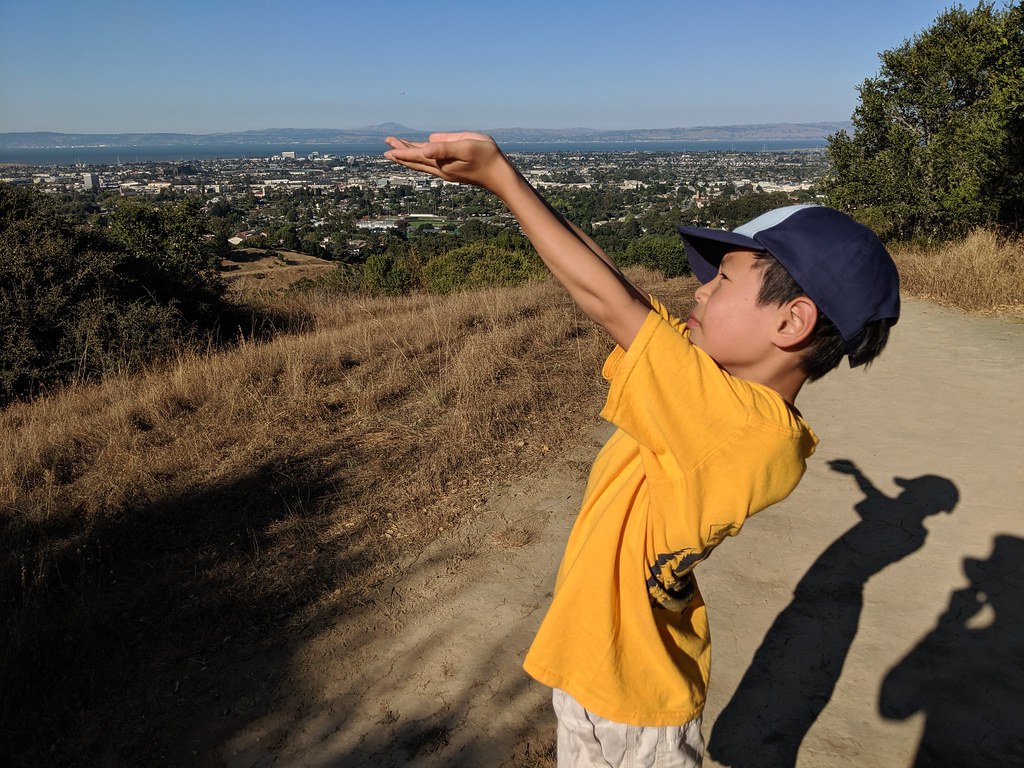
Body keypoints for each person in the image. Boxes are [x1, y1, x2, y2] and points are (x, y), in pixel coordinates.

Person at [384, 132, 900, 767]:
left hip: (629, 693)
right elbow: (611, 285)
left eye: (724, 281)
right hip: (617, 671)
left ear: (791, 321)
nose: (700, 291)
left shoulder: (737, 427)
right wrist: (513, 189)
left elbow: (610, 302)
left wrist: (501, 178)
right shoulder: (721, 405)